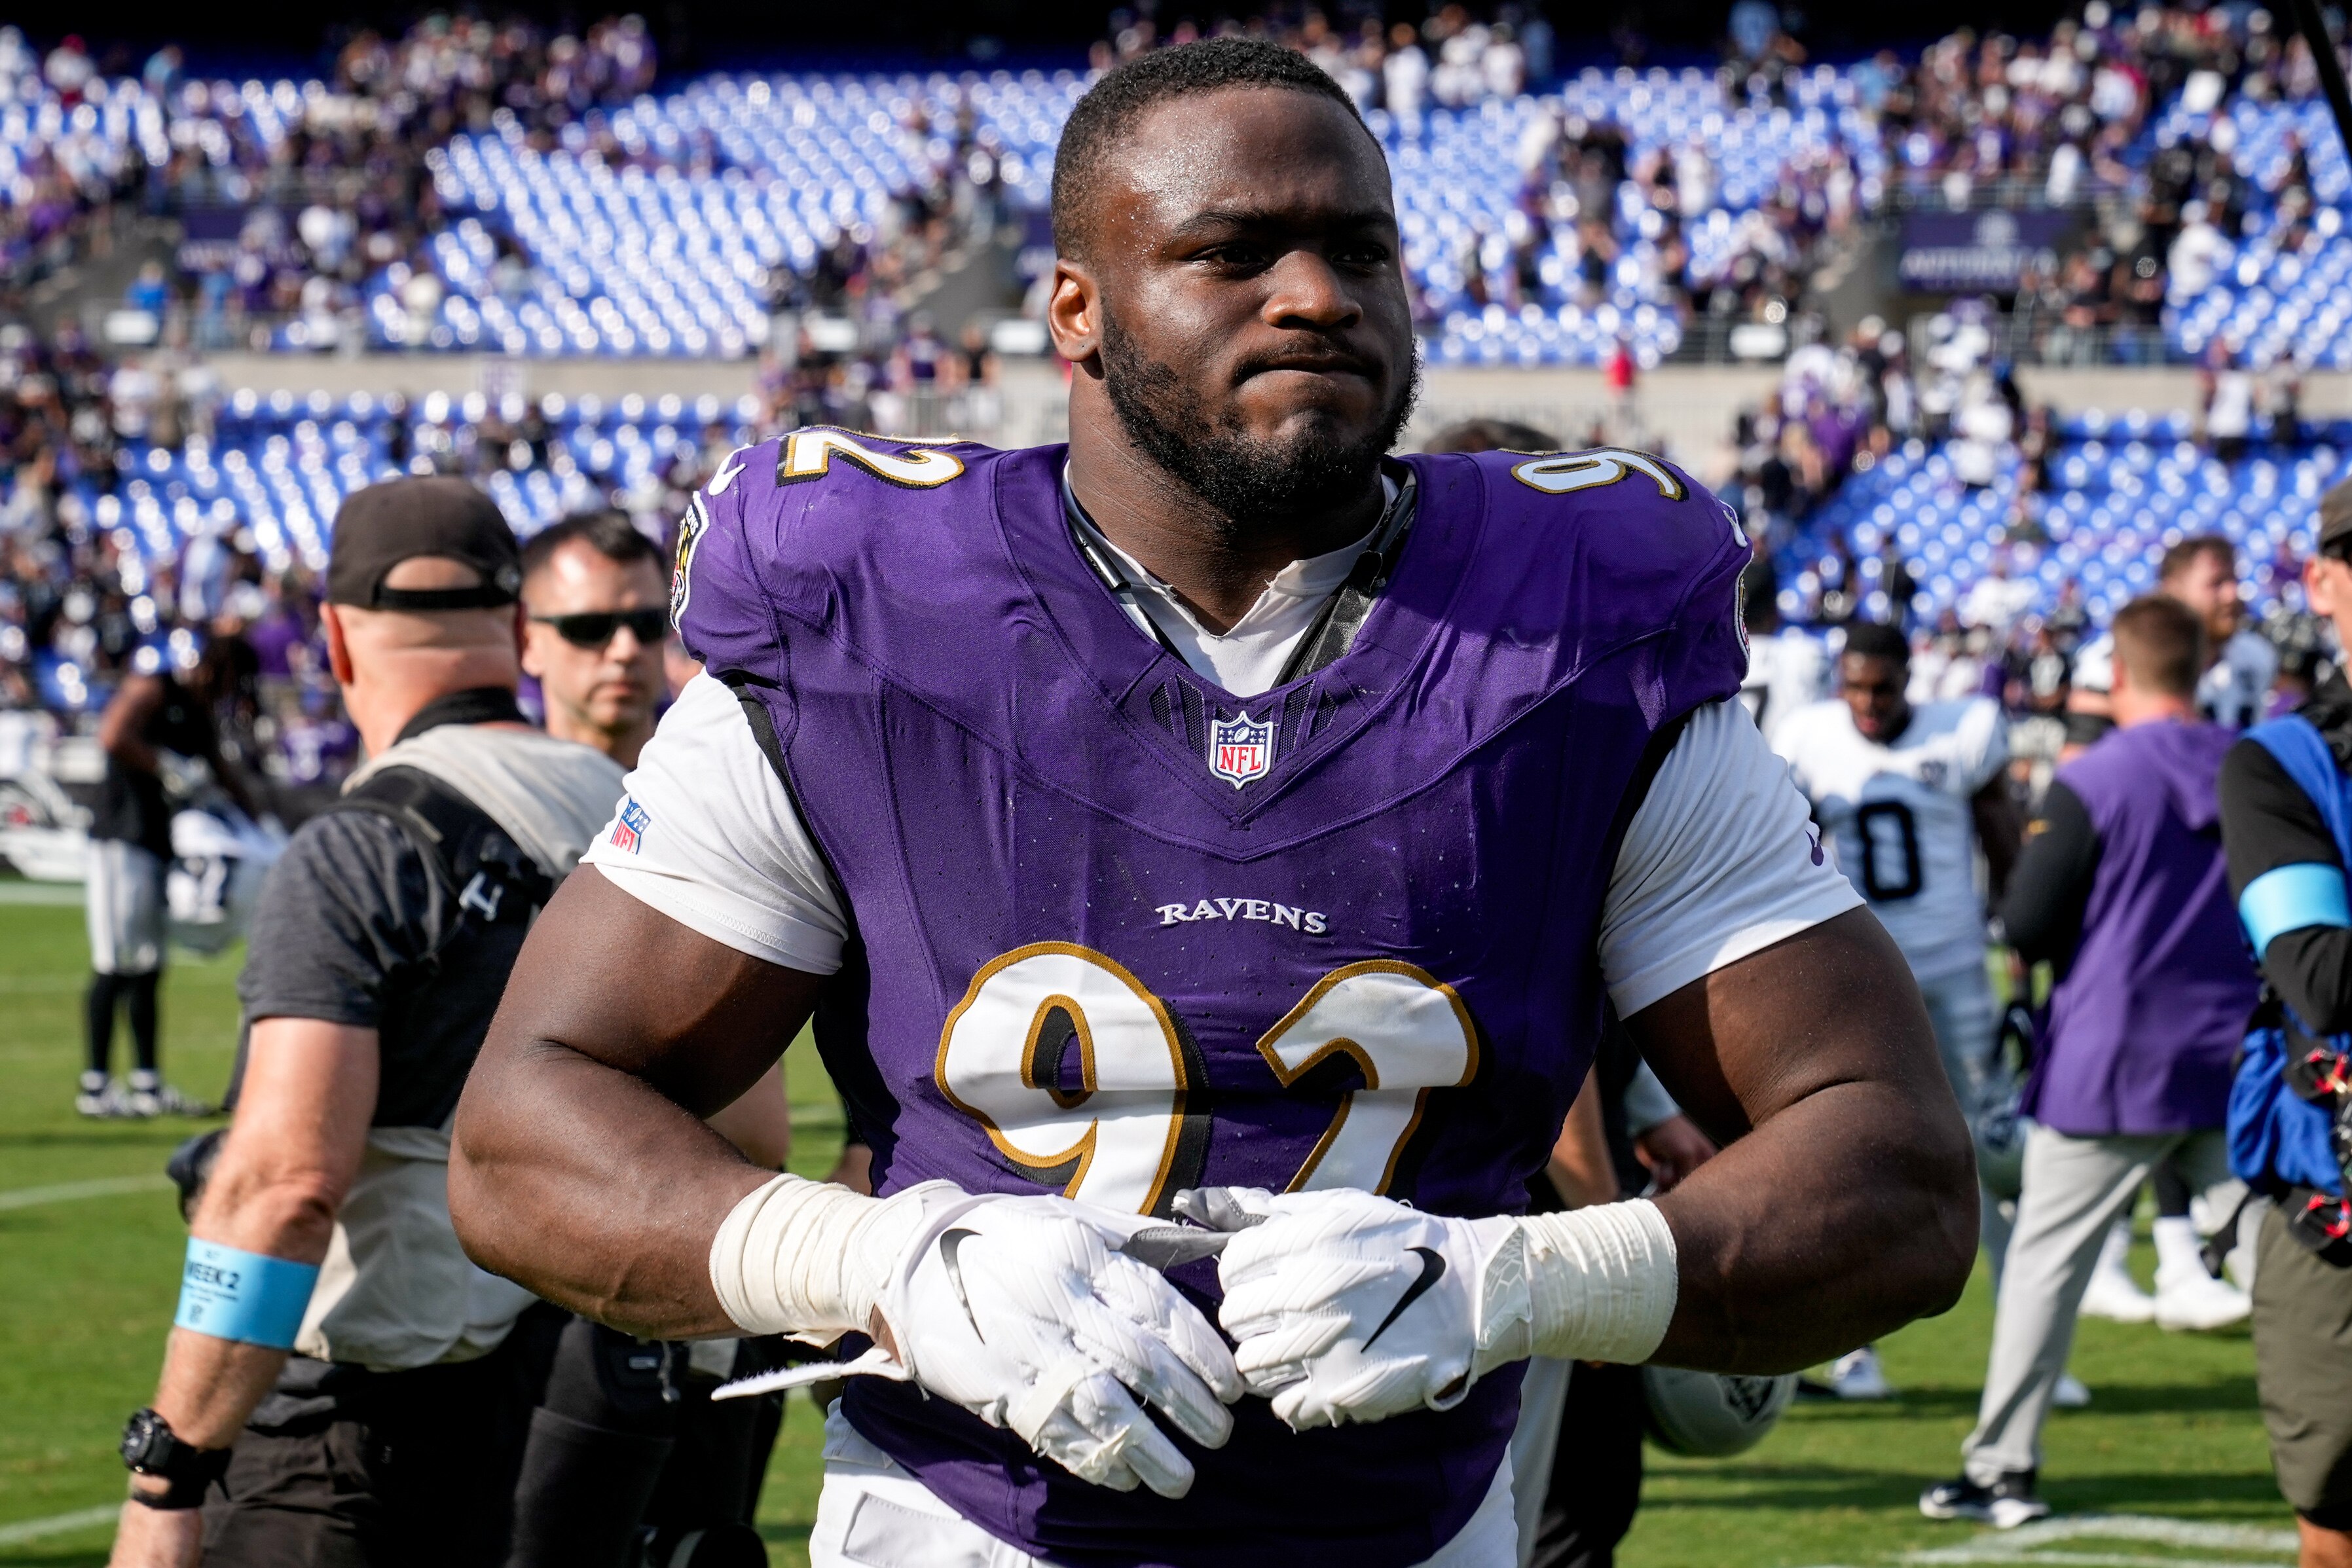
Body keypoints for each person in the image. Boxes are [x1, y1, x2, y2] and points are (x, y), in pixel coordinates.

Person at [448, 41, 1977, 1568]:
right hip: (961, 1527)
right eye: (1232, 252)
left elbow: (1895, 1170)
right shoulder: (874, 616)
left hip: (1418, 1529)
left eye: (1359, 248)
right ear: (1077, 311)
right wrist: (882, 1261)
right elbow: (526, 1133)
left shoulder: (1569, 638)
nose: (1314, 294)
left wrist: (1515, 1282)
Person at [106, 479, 632, 1568]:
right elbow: (746, 1121)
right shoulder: (633, 810)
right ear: (520, 631)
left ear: (337, 642)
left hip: (343, 1435)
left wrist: (171, 1467)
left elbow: (285, 1187)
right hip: (530, 1389)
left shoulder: (358, 848)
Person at [1922, 594, 2260, 1530]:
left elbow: (2027, 922)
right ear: (2200, 665)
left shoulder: (2097, 775)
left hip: (2112, 1056)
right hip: (2233, 1058)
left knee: (2043, 1266)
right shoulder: (2252, 763)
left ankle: (2002, 1467)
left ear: (2118, 667)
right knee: (2289, 1267)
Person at [1773, 619, 2024, 1400]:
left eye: (1880, 687)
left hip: (1956, 974)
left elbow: (2002, 838)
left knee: (1998, 1158)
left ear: (1909, 679)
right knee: (1862, 1152)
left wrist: (2019, 935)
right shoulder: (1810, 736)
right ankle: (1859, 1355)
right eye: (1854, 686)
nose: (1866, 703)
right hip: (1867, 979)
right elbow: (1784, 846)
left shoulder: (1965, 733)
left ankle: (2027, 1347)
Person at [2216, 480, 2352, 1568]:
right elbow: (2319, 976)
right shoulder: (2280, 764)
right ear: (2321, 583)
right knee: (2336, 1522)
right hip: (2336, 1208)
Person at [81, 638, 260, 1118]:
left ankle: (146, 1084)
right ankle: (95, 1086)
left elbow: (224, 772)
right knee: (115, 961)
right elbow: (113, 733)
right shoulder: (157, 685)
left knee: (147, 964)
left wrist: (262, 827)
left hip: (157, 844)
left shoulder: (197, 712)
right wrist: (166, 764)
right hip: (121, 836)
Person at [2067, 535, 2277, 751]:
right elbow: (2080, 762)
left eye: (2235, 581)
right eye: (2217, 583)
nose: (2232, 594)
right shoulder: (2114, 657)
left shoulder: (2255, 656)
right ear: (2173, 591)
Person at [521, 509, 671, 769]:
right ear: (527, 643)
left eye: (648, 623)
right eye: (590, 627)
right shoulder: (499, 799)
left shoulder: (719, 789)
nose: (626, 650)